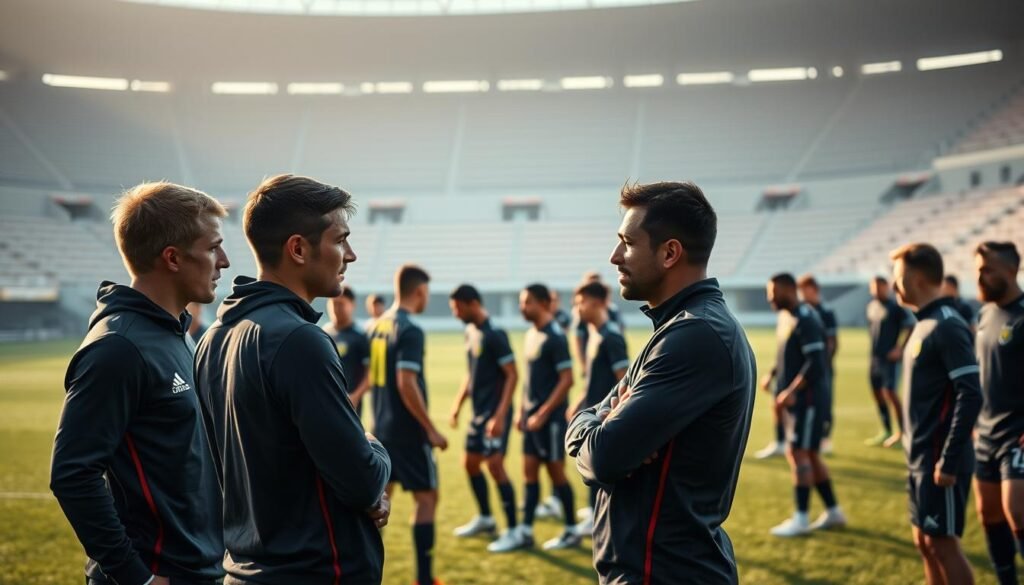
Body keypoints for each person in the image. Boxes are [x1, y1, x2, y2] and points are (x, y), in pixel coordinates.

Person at [194, 174, 391, 584]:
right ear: (298, 248)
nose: (350, 255)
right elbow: (361, 480)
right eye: (340, 240)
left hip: (244, 570)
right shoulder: (300, 341)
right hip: (313, 571)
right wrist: (374, 447)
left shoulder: (214, 338)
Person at [567, 181, 755, 584]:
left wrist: (597, 429)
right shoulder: (678, 326)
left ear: (670, 253)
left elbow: (601, 457)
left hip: (664, 572)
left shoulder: (695, 334)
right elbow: (589, 428)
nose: (614, 256)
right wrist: (595, 423)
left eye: (627, 243)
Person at [50, 182, 229, 585]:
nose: (225, 261)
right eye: (213, 247)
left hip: (201, 568)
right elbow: (72, 474)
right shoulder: (118, 348)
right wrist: (137, 578)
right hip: (160, 574)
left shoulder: (177, 332)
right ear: (173, 258)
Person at [891, 243, 982, 585]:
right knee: (925, 542)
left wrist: (949, 458)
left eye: (898, 277)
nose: (895, 285)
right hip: (919, 457)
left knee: (942, 544)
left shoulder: (947, 325)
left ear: (914, 278)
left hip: (939, 459)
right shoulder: (924, 322)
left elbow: (971, 394)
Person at [369, 264, 447, 585]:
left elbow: (376, 377)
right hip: (409, 433)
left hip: (382, 429)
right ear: (419, 291)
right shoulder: (410, 329)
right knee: (427, 498)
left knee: (377, 506)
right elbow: (405, 382)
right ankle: (425, 579)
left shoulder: (377, 325)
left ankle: (365, 572)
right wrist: (430, 428)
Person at [765, 273, 845, 537]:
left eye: (773, 292)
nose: (770, 298)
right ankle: (833, 512)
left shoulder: (807, 319)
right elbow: (789, 354)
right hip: (798, 400)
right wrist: (774, 375)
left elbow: (816, 363)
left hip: (809, 400)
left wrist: (790, 391)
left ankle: (801, 518)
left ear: (788, 290)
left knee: (797, 452)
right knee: (809, 454)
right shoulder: (788, 318)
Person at [446, 284, 524, 552]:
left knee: (495, 467)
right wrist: (457, 404)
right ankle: (486, 519)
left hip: (495, 414)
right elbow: (471, 372)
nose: (455, 314)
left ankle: (514, 531)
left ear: (471, 303)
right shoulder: (470, 332)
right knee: (469, 464)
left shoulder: (495, 334)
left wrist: (500, 416)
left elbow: (513, 375)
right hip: (478, 414)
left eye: (457, 308)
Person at [971, 242, 1024, 585]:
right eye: (978, 269)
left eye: (987, 269)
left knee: (1017, 513)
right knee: (988, 513)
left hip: (1018, 435)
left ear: (1010, 270)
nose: (980, 276)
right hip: (985, 432)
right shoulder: (985, 314)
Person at [518, 283, 580, 550]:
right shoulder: (531, 334)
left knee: (556, 474)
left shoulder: (556, 336)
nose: (523, 307)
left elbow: (567, 380)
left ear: (544, 303)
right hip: (531, 420)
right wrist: (522, 411)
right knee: (529, 473)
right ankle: (525, 530)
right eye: (522, 302)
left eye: (527, 302)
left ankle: (570, 529)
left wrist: (543, 414)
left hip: (551, 421)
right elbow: (528, 379)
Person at [568, 280, 629, 537]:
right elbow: (595, 379)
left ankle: (599, 519)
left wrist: (614, 418)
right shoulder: (595, 334)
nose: (577, 309)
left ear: (595, 303)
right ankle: (593, 514)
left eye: (580, 303)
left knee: (600, 471)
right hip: (594, 416)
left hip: (607, 420)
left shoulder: (611, 337)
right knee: (589, 467)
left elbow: (625, 382)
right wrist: (580, 401)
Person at [865, 276, 914, 448]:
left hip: (890, 360)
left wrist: (900, 349)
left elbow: (911, 326)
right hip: (874, 358)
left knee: (890, 392)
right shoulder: (871, 307)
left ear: (886, 287)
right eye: (874, 287)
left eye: (880, 286)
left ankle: (902, 432)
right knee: (877, 393)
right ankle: (886, 429)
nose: (877, 290)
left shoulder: (895, 307)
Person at [797, 274, 839, 454]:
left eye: (804, 290)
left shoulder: (826, 312)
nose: (802, 294)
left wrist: (823, 362)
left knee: (825, 403)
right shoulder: (801, 311)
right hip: (807, 367)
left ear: (814, 290)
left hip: (823, 367)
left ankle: (825, 439)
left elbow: (832, 341)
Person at [322, 285, 371, 416]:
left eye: (341, 304)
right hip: (325, 402)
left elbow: (370, 375)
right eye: (333, 303)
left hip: (350, 405)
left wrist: (355, 396)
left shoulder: (361, 336)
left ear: (352, 305)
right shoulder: (324, 334)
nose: (336, 308)